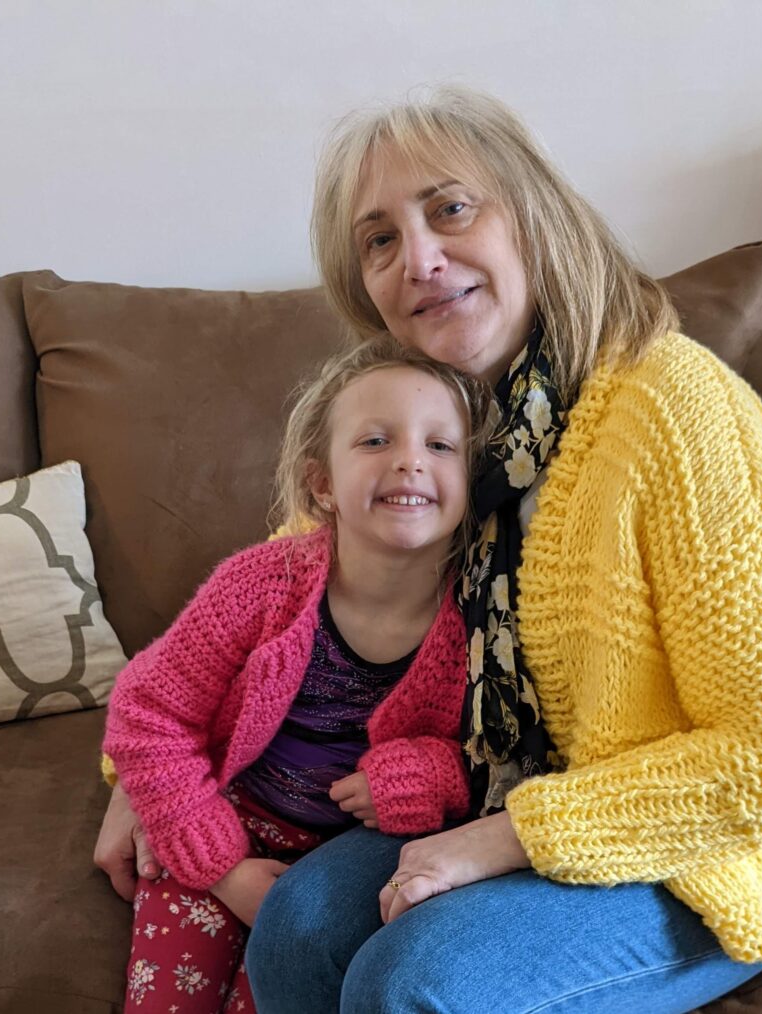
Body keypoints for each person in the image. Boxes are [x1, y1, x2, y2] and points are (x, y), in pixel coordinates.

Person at [97, 86, 762, 1013]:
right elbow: (286, 583)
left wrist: (502, 839)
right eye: (379, 240)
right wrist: (139, 781)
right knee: (297, 924)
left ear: (534, 216)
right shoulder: (443, 424)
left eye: (451, 208)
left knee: (414, 980)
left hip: (699, 848)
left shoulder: (678, 408)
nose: (419, 259)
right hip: (504, 798)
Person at [100, 337, 489, 1013]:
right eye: (375, 441)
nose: (409, 460)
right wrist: (223, 868)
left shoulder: (487, 617)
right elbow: (149, 712)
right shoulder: (259, 585)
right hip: (217, 825)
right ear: (322, 483)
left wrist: (427, 777)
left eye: (440, 445)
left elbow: (498, 763)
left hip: (341, 873)